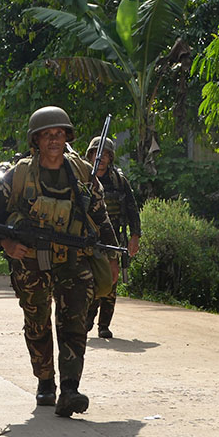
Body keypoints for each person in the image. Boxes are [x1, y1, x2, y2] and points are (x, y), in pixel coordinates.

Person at [0, 106, 118, 417]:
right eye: (47, 135)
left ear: (66, 138)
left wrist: (111, 256)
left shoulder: (82, 172)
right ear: (36, 140)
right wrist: (6, 243)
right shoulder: (18, 175)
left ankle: (70, 388)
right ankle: (45, 381)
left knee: (75, 324)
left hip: (73, 260)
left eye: (59, 134)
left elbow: (100, 216)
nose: (54, 140)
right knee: (37, 321)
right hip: (31, 261)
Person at [85, 137, 141, 339]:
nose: (100, 158)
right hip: (88, 238)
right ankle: (87, 319)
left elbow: (133, 210)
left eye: (105, 154)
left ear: (110, 157)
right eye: (96, 154)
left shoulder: (119, 181)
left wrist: (135, 236)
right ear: (90, 155)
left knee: (110, 281)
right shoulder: (84, 178)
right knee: (89, 281)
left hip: (114, 238)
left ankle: (104, 325)